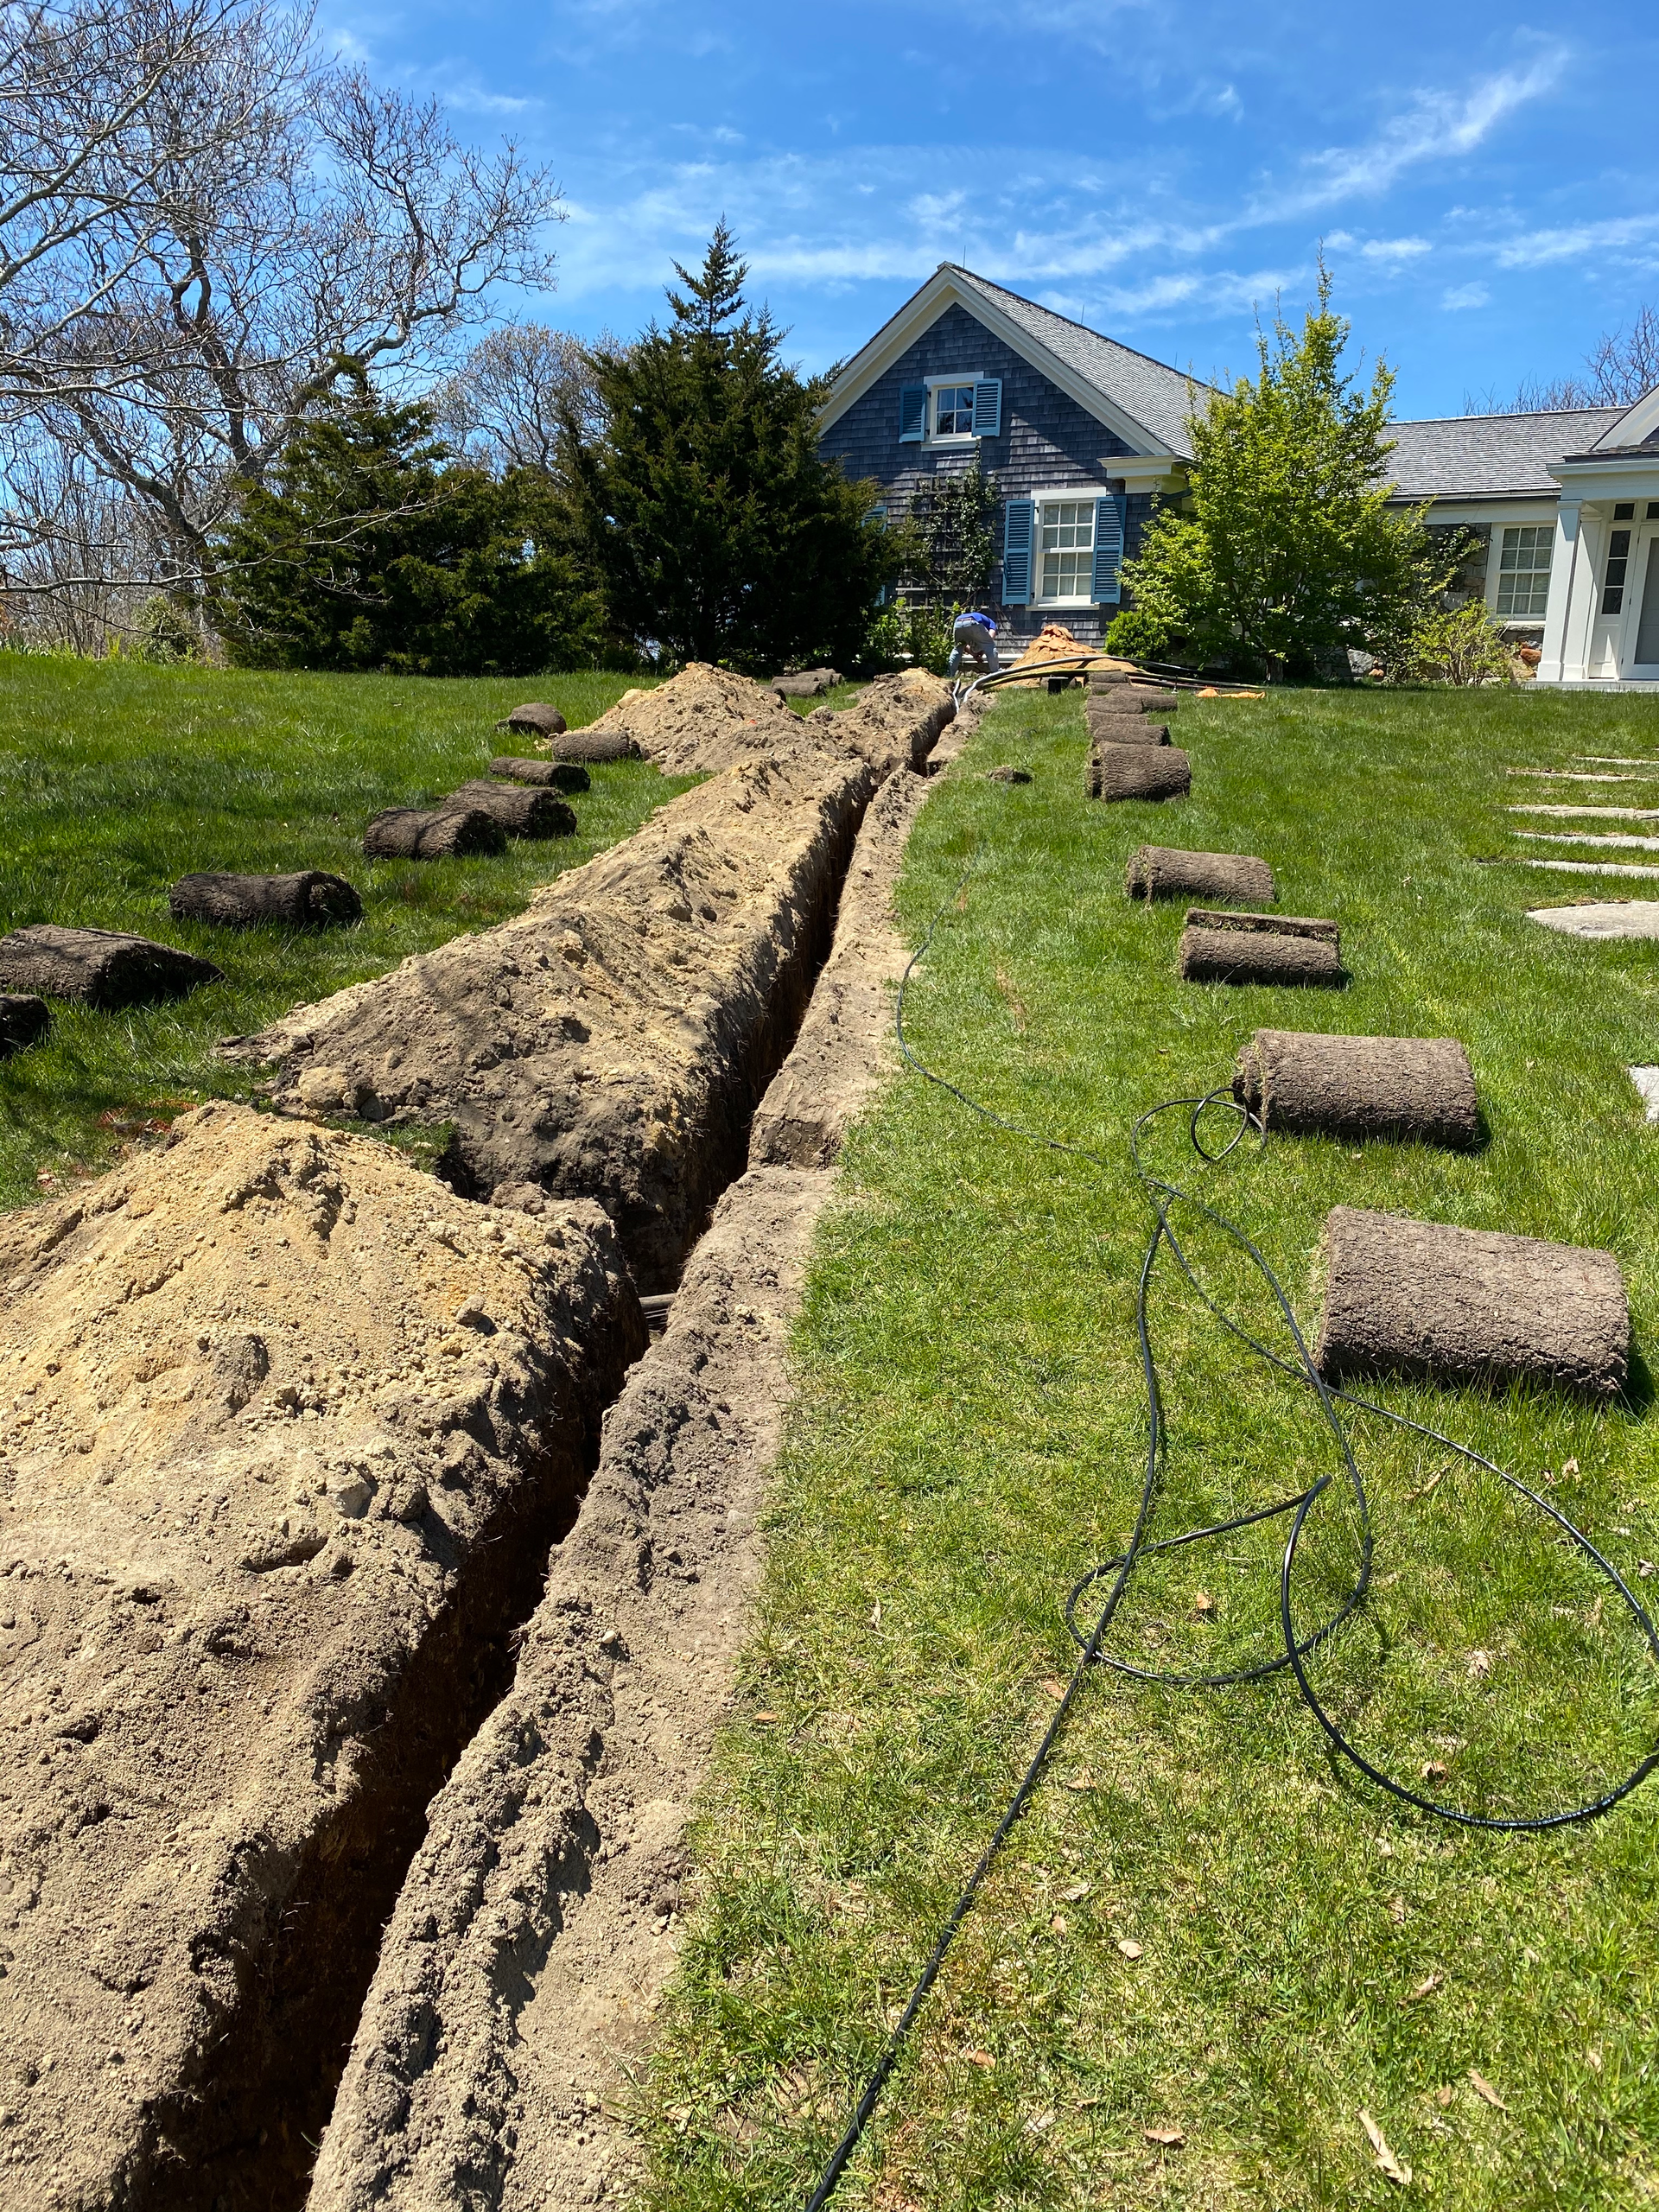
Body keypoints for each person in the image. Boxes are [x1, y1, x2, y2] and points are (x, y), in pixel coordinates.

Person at [948, 606, 998, 678]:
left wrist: (974, 655)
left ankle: (950, 674)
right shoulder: (992, 623)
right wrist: (983, 651)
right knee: (990, 645)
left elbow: (965, 646)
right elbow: (989, 640)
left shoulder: (982, 620)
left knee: (958, 648)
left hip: (958, 622)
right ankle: (996, 672)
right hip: (973, 621)